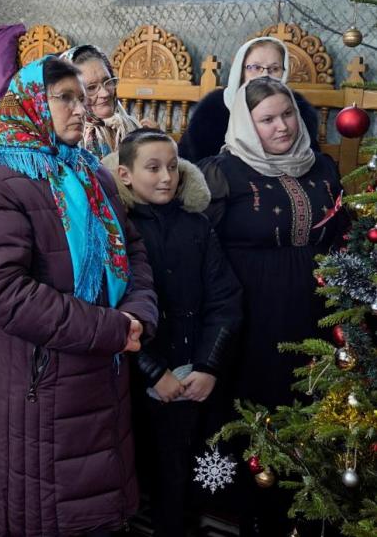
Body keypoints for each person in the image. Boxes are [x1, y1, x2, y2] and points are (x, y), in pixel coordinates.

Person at [0, 56, 157, 536]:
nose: (79, 109)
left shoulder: (90, 172)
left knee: (96, 509)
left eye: (81, 98)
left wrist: (139, 314)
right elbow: (4, 294)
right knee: (44, 516)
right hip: (36, 384)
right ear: (28, 104)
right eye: (64, 98)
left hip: (101, 372)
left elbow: (131, 251)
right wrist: (112, 329)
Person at [199, 76, 346, 536]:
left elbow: (340, 231)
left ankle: (310, 499)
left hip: (317, 305)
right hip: (254, 310)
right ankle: (253, 507)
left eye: (287, 115)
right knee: (259, 402)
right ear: (247, 123)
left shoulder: (321, 166)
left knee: (313, 394)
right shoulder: (222, 171)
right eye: (266, 120)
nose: (281, 127)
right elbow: (202, 250)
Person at [104, 128, 242, 537]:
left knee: (179, 475)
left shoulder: (197, 227)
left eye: (173, 167)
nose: (166, 177)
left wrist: (208, 366)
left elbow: (225, 300)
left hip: (191, 373)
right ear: (125, 175)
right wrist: (152, 371)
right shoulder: (115, 230)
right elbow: (110, 309)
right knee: (132, 473)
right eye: (153, 168)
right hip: (133, 377)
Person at [179, 36, 321, 162]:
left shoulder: (297, 110)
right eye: (255, 67)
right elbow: (194, 164)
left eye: (275, 68)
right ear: (241, 71)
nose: (265, 75)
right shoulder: (213, 110)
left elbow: (310, 158)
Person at [62, 44, 148, 158]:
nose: (105, 93)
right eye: (91, 88)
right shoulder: (67, 144)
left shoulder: (131, 128)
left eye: (108, 81)